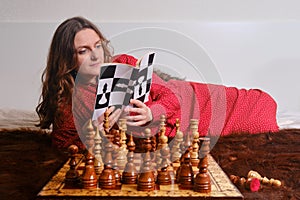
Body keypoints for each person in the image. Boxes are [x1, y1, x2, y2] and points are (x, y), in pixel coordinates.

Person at [36, 16, 279, 151]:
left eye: (98, 46)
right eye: (83, 51)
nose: (95, 55)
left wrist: (151, 112)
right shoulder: (68, 101)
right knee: (255, 122)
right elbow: (62, 143)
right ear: (67, 58)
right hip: (172, 132)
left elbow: (171, 97)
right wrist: (95, 132)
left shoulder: (125, 63)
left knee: (261, 106)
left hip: (189, 102)